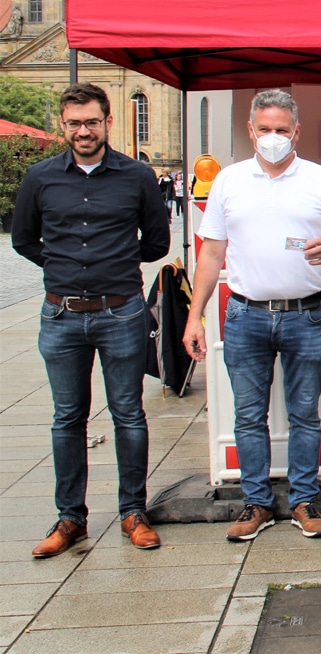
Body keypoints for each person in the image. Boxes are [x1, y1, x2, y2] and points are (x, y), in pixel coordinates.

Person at [183, 90, 321, 542]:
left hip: (306, 314)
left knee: (304, 412)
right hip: (246, 314)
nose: (274, 138)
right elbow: (211, 254)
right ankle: (256, 503)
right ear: (251, 131)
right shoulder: (228, 181)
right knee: (248, 415)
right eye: (265, 130)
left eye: (282, 130)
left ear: (296, 131)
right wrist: (194, 315)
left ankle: (304, 498)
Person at [12, 83, 170, 557]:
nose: (84, 131)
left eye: (92, 122)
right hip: (61, 314)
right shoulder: (40, 178)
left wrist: (115, 266)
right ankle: (70, 519)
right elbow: (24, 239)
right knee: (67, 418)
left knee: (128, 413)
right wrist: (63, 268)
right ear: (63, 124)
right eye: (74, 123)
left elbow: (157, 243)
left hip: (121, 311)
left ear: (108, 122)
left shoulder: (137, 176)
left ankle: (133, 512)